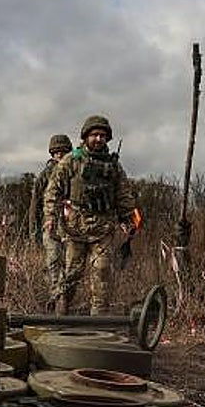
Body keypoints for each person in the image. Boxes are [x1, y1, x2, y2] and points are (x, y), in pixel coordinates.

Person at [43, 115, 137, 315]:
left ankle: (98, 319)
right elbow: (52, 191)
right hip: (75, 228)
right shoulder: (71, 161)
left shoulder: (113, 166)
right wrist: (50, 217)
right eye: (95, 135)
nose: (99, 139)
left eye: (103, 136)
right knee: (72, 274)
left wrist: (128, 218)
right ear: (86, 136)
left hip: (103, 228)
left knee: (102, 273)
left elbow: (123, 194)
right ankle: (60, 315)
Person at [28, 133, 74, 311]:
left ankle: (64, 300)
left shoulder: (75, 172)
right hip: (50, 226)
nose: (60, 155)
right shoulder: (45, 175)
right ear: (52, 154)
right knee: (53, 262)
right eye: (57, 152)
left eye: (63, 152)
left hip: (72, 227)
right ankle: (57, 300)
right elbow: (35, 206)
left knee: (70, 267)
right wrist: (33, 232)